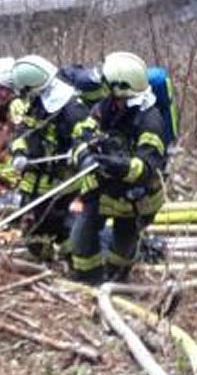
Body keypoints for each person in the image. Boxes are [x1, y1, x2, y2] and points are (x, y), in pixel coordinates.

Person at [69, 51, 169, 284]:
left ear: (120, 88)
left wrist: (114, 165)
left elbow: (146, 168)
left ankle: (116, 282)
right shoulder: (107, 107)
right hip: (100, 189)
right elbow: (82, 134)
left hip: (134, 199)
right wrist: (84, 156)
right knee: (80, 240)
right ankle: (89, 281)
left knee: (123, 249)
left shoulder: (150, 120)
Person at [7, 54, 98, 264]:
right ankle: (49, 262)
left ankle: (74, 262)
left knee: (63, 229)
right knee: (35, 234)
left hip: (62, 184)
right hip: (37, 182)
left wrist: (82, 155)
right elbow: (22, 132)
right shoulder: (37, 101)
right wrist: (20, 152)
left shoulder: (71, 107)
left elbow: (87, 137)